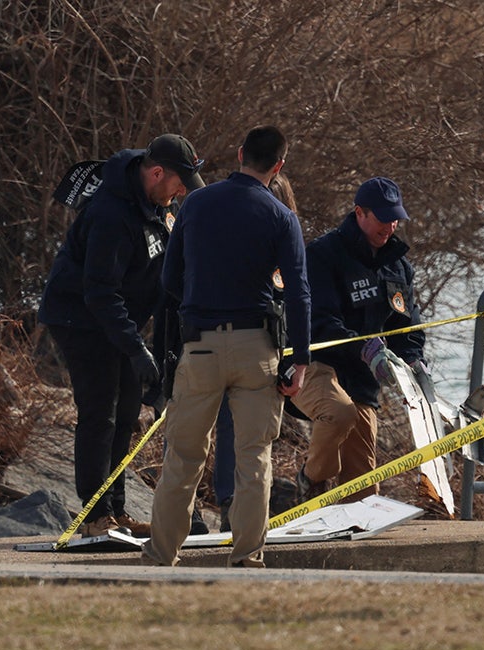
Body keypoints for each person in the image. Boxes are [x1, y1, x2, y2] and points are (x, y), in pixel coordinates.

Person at [144, 126, 310, 567]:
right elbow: (298, 293)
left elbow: (169, 281)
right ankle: (247, 556)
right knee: (253, 458)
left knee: (182, 457)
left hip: (200, 346)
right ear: (278, 167)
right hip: (257, 347)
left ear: (239, 154)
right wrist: (301, 358)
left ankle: (161, 554)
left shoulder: (195, 204)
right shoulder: (281, 216)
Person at [38, 133, 205, 538]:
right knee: (101, 410)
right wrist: (134, 349)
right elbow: (98, 292)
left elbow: (165, 277)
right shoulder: (111, 213)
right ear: (156, 172)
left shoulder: (160, 206)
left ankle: (115, 508)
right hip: (80, 317)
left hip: (119, 319)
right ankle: (94, 516)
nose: (181, 192)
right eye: (178, 183)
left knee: (129, 409)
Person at [290, 176, 425, 504]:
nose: (390, 226)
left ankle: (349, 535)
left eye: (395, 218)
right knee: (340, 413)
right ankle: (311, 479)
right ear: (359, 213)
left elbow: (408, 327)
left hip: (363, 380)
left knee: (364, 492)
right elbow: (319, 321)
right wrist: (364, 347)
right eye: (382, 217)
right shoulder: (324, 255)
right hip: (317, 365)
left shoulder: (399, 267)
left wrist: (413, 361)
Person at [212, 173, 297, 532]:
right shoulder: (231, 242)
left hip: (268, 353)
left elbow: (296, 304)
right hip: (226, 346)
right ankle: (224, 506)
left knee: (254, 440)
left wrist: (293, 361)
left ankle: (240, 514)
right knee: (208, 432)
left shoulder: (286, 247)